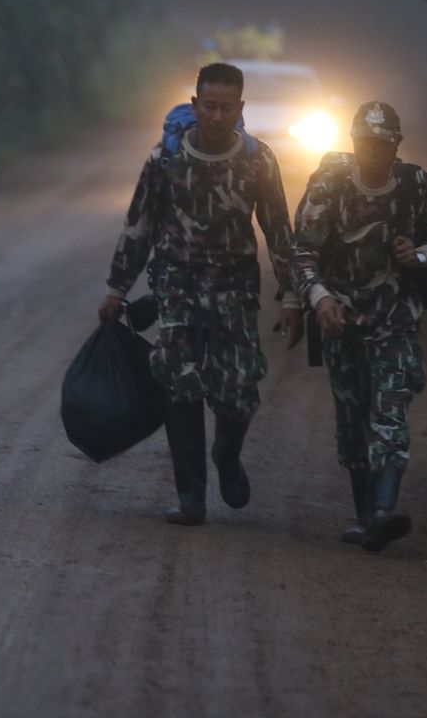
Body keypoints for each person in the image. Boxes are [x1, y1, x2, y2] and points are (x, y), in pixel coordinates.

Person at [98, 62, 304, 525]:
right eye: (207, 106)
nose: (215, 115)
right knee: (180, 383)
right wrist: (117, 288)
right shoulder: (166, 159)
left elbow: (279, 232)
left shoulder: (258, 160)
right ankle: (191, 496)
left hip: (234, 285)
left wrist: (292, 296)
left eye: (226, 107)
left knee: (237, 391)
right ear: (194, 106)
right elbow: (139, 227)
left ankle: (226, 456)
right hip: (177, 283)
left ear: (240, 109)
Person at [292, 101, 427, 552]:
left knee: (389, 414)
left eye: (382, 143)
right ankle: (364, 517)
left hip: (396, 321)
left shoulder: (419, 185)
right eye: (365, 142)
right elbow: (302, 252)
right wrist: (319, 298)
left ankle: (382, 512)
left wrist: (424, 256)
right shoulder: (328, 186)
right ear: (353, 142)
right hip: (342, 322)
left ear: (397, 144)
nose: (373, 151)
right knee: (353, 422)